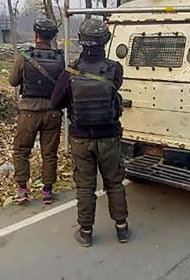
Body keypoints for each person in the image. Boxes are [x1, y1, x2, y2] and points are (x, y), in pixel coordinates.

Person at [51, 18, 129, 246]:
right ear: (105, 41)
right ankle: (122, 229)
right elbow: (114, 88)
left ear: (82, 42)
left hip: (81, 138)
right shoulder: (115, 69)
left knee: (85, 186)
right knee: (114, 183)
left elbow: (55, 102)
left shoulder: (70, 72)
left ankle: (85, 232)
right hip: (109, 137)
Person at [9, 18, 65, 205]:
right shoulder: (60, 58)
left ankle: (23, 190)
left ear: (36, 35)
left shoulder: (24, 57)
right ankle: (47, 191)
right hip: (53, 112)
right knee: (49, 153)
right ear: (53, 36)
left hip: (29, 112)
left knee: (21, 150)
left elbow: (13, 81)